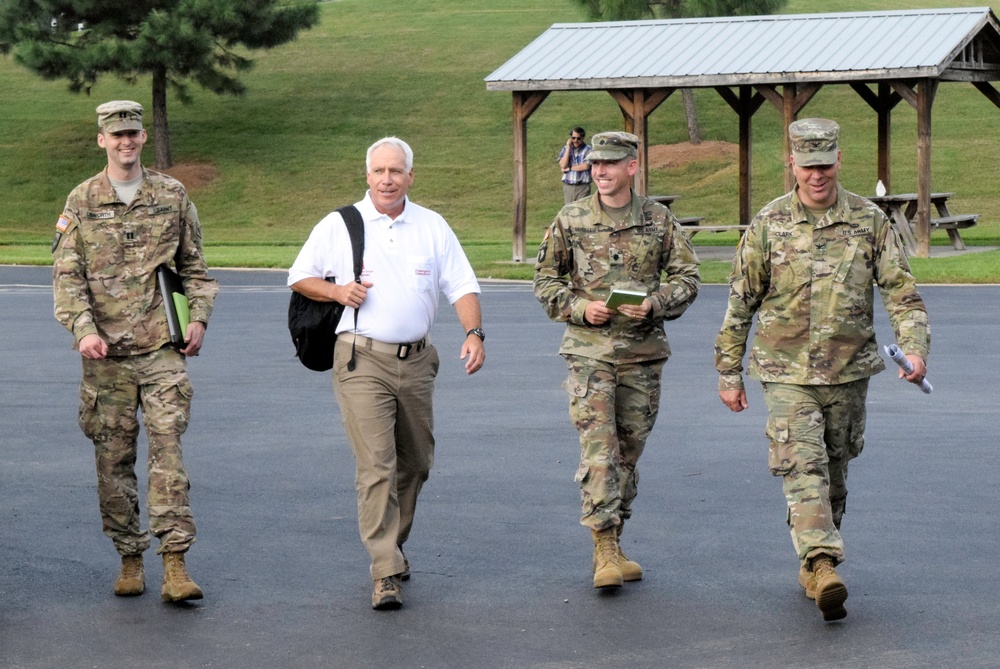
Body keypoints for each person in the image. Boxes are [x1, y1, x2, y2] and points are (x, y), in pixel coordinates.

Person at [715, 118, 930, 622]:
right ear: (791, 162)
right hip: (785, 371)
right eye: (807, 165)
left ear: (839, 160)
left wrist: (915, 349)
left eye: (825, 164)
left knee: (834, 473)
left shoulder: (869, 220)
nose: (816, 175)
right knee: (802, 466)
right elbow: (740, 302)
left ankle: (813, 567)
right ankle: (823, 560)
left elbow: (901, 292)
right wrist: (729, 371)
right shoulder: (768, 225)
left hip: (848, 370)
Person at [288, 136, 486, 610]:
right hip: (361, 359)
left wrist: (475, 332)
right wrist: (339, 294)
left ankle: (393, 543)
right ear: (367, 175)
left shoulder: (432, 226)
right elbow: (300, 276)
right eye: (379, 171)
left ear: (410, 176)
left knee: (416, 463)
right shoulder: (341, 224)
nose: (387, 179)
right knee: (377, 465)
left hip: (417, 361)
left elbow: (461, 284)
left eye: (396, 171)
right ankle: (385, 569)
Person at [52, 100, 219, 602]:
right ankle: (129, 555)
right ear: (101, 140)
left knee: (168, 451)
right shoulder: (81, 201)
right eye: (116, 135)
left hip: (161, 349)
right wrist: (83, 330)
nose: (125, 142)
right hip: (106, 359)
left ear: (143, 138)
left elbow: (195, 268)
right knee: (113, 458)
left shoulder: (171, 194)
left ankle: (175, 563)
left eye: (133, 134)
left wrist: (199, 320)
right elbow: (66, 278)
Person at [534, 131, 700, 590]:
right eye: (594, 165)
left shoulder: (658, 219)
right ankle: (603, 546)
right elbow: (546, 282)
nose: (600, 172)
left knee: (627, 453)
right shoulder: (571, 218)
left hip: (642, 355)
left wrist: (656, 303)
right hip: (590, 354)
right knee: (601, 451)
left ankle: (615, 540)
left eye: (609, 164)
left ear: (632, 166)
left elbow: (688, 277)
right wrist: (580, 308)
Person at [558, 126, 592, 204]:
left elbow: (586, 166)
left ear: (583, 138)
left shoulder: (588, 149)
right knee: (569, 212)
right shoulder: (566, 148)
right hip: (568, 187)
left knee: (581, 212)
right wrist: (568, 148)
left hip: (582, 187)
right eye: (573, 138)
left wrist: (569, 168)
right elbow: (563, 165)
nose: (575, 140)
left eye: (578, 138)